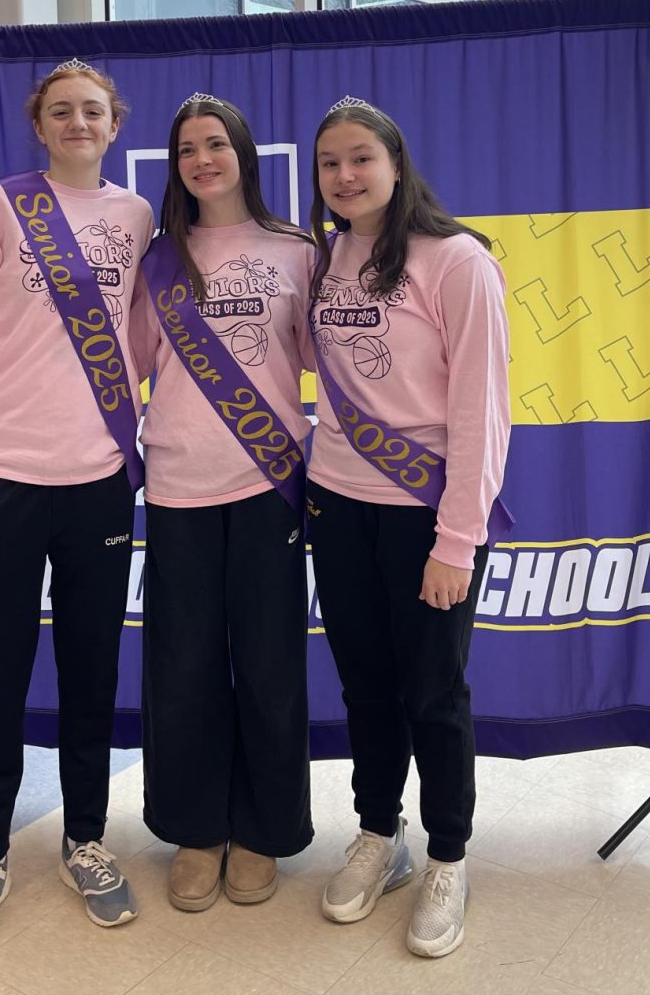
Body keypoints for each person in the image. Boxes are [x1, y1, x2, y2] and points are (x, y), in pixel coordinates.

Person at [0, 59, 155, 953]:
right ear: (39, 123)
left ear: (113, 123)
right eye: (61, 111)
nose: (77, 122)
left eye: (91, 111)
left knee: (94, 668)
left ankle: (86, 841)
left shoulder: (134, 217)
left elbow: (138, 337)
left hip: (98, 476)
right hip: (1, 476)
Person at [304, 96, 510, 958]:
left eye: (360, 159)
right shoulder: (323, 260)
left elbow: (481, 409)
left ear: (395, 164)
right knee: (364, 686)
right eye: (328, 164)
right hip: (335, 502)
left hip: (425, 511)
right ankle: (378, 836)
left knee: (433, 691)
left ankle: (448, 857)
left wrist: (455, 539)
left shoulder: (456, 260)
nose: (345, 177)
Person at [132, 94, 315, 912]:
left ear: (242, 151)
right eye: (186, 149)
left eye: (215, 143)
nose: (202, 158)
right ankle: (195, 830)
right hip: (176, 482)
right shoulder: (158, 257)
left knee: (272, 668)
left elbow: (336, 364)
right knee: (181, 668)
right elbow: (122, 363)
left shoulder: (298, 251)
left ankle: (265, 831)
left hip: (270, 482)